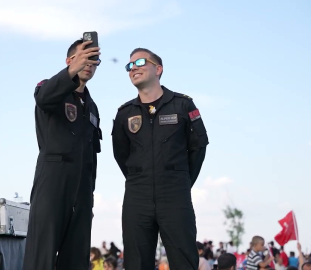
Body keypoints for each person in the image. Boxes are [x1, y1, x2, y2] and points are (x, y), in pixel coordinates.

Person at [112, 48, 209, 269]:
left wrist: (180, 180)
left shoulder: (183, 105)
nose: (133, 68)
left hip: (175, 195)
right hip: (137, 196)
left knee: (184, 260)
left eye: (140, 62)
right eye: (129, 65)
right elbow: (121, 155)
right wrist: (141, 177)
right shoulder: (124, 113)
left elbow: (198, 148)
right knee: (136, 262)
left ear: (158, 69)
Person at [22, 38, 102, 270]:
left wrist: (90, 194)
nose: (90, 63)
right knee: (42, 255)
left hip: (83, 189)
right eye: (84, 58)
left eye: (94, 60)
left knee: (76, 259)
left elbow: (92, 156)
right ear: (69, 61)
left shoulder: (92, 106)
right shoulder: (50, 88)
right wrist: (71, 72)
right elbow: (44, 98)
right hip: (53, 181)